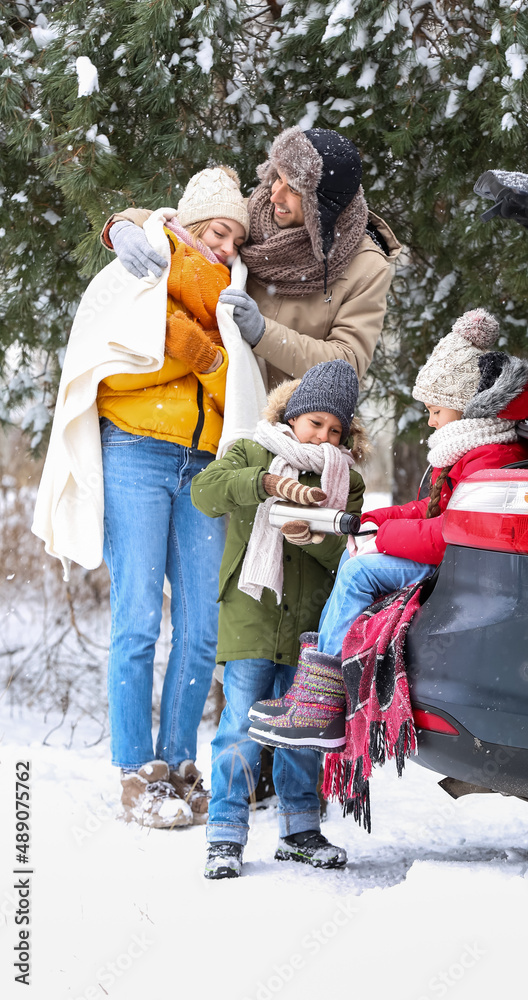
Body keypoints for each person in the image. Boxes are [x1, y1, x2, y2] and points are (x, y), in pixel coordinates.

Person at [34, 165, 257, 829]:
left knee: (201, 628)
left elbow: (233, 386)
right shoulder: (145, 262)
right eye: (218, 231)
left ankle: (176, 765)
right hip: (135, 448)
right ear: (189, 222)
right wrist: (181, 345)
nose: (226, 247)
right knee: (135, 617)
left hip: (202, 464)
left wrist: (212, 357)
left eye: (236, 238)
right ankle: (136, 772)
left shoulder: (233, 292)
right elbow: (117, 355)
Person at [246, 308, 528, 752]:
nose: (430, 421)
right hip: (455, 559)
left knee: (358, 572)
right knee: (359, 564)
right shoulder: (475, 449)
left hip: (465, 569)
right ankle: (314, 694)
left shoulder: (490, 457)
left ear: (466, 406)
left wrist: (382, 539)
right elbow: (432, 511)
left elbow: (451, 531)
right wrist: (379, 520)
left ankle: (323, 704)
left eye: (435, 410)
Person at [190, 360, 367, 878]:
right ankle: (225, 834)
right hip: (251, 614)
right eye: (316, 423)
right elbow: (206, 493)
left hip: (311, 622)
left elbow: (346, 557)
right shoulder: (252, 448)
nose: (325, 436)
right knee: (241, 725)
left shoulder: (345, 479)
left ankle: (299, 830)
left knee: (303, 727)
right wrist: (264, 482)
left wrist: (314, 540)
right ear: (291, 415)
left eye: (336, 430)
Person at [100, 127, 401, 388]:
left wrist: (263, 333)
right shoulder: (250, 217)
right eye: (278, 178)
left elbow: (346, 364)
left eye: (293, 189)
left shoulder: (365, 265)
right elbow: (185, 225)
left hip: (289, 429)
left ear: (323, 206)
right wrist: (125, 225)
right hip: (219, 408)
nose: (274, 195)